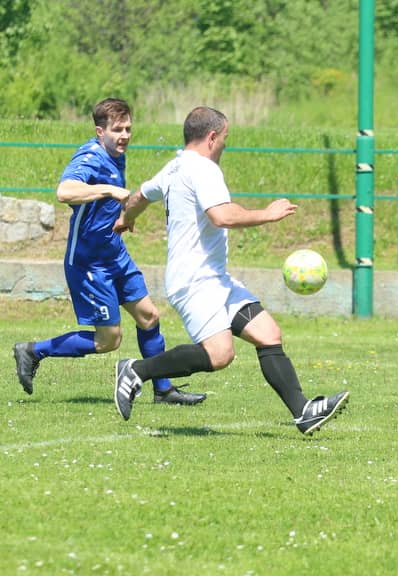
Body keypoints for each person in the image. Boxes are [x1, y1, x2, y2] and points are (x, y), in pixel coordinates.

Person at [112, 106, 348, 434]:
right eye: (225, 138)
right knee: (220, 355)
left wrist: (127, 218)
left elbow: (140, 195)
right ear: (212, 137)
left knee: (268, 334)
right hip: (195, 281)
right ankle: (137, 370)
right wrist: (267, 214)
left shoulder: (175, 166)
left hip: (214, 278)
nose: (224, 144)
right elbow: (221, 216)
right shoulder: (204, 170)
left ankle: (303, 412)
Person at [11, 98, 206, 406]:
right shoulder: (91, 156)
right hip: (89, 262)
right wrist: (108, 190)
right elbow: (64, 191)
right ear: (100, 131)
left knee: (149, 316)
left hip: (114, 253)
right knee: (109, 340)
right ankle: (33, 351)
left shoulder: (117, 154)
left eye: (128, 128)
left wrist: (122, 218)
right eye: (118, 130)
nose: (125, 135)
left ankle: (164, 390)